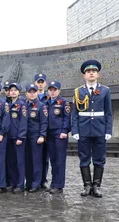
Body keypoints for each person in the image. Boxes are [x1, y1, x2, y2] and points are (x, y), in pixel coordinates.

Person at [72, 60, 112, 198]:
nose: (91, 74)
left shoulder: (105, 90)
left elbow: (108, 113)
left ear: (98, 75)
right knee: (84, 158)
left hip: (100, 130)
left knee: (99, 159)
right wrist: (75, 131)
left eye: (93, 71)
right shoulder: (78, 92)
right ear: (84, 75)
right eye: (88, 72)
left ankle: (96, 186)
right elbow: (75, 114)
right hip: (83, 130)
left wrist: (108, 130)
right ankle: (87, 185)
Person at [46, 81, 71, 194]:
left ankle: (59, 185)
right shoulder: (47, 103)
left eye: (54, 89)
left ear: (59, 91)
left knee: (60, 160)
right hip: (49, 134)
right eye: (50, 89)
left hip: (60, 133)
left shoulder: (64, 102)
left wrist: (65, 131)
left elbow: (67, 117)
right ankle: (53, 183)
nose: (52, 91)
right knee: (53, 159)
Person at [25, 83, 48, 192]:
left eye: (34, 92)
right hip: (26, 136)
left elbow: (44, 122)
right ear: (26, 93)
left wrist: (42, 135)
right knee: (28, 160)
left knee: (36, 160)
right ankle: (29, 182)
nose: (32, 94)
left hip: (36, 136)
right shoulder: (24, 105)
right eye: (30, 92)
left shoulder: (41, 106)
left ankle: (36, 183)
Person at [6, 83, 27, 193]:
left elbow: (23, 123)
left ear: (19, 92)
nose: (13, 92)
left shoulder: (22, 105)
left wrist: (21, 136)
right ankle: (12, 182)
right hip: (9, 137)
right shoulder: (8, 105)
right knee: (11, 161)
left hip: (18, 138)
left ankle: (20, 184)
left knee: (19, 161)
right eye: (11, 90)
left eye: (15, 90)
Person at [34, 73, 50, 190]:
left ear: (45, 83)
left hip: (46, 132)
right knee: (34, 158)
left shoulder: (49, 98)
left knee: (45, 157)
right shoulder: (30, 98)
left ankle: (43, 180)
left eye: (42, 82)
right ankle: (35, 179)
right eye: (38, 82)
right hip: (34, 132)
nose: (40, 84)